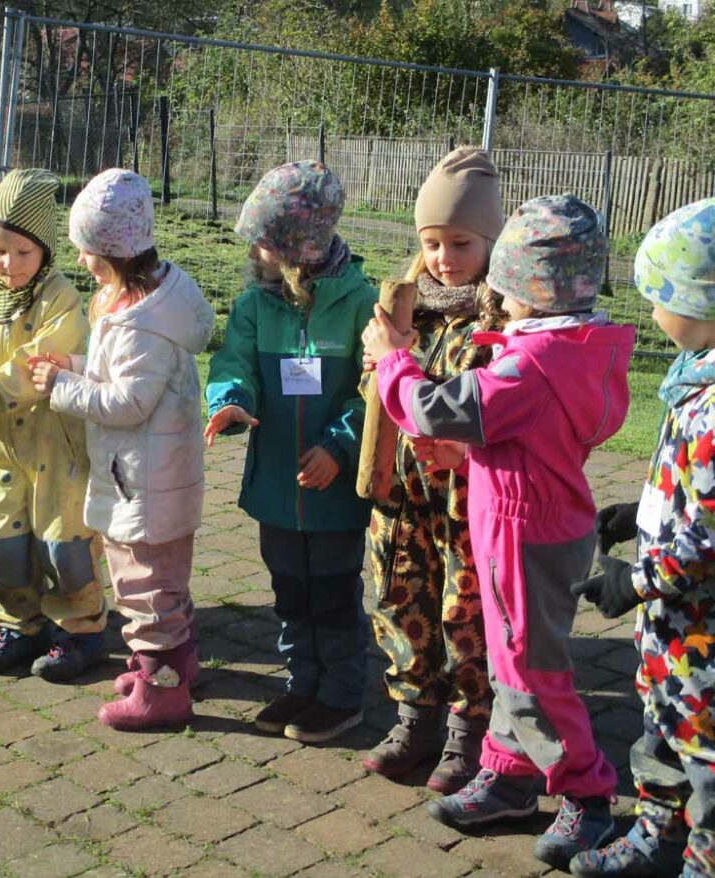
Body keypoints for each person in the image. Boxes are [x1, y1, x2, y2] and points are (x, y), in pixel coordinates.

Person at [362, 193, 635, 870]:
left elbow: (430, 409)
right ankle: (509, 775)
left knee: (533, 675)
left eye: (503, 286)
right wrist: (474, 450)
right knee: (511, 657)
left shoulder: (530, 365)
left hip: (525, 539)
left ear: (526, 291)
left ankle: (587, 795)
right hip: (526, 524)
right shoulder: (570, 350)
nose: (496, 298)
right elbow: (527, 427)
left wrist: (394, 357)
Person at [31, 168, 215, 729]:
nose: (82, 261)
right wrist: (77, 366)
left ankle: (162, 692)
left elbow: (127, 403)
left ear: (111, 250)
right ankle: (174, 664)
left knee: (143, 586)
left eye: (86, 251)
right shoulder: (147, 305)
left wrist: (60, 387)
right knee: (161, 581)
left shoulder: (140, 325)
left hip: (143, 482)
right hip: (149, 474)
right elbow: (122, 379)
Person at [205, 160, 378, 744]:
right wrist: (229, 402)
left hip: (335, 491)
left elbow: (374, 392)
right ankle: (301, 685)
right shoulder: (255, 305)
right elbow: (235, 363)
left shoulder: (363, 305)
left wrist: (339, 446)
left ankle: (342, 694)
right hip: (277, 489)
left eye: (266, 242)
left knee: (332, 593)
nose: (257, 254)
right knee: (289, 592)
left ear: (299, 245)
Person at [569, 197, 715, 878]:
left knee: (707, 752)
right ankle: (656, 832)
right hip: (673, 633)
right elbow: (695, 496)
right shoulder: (697, 377)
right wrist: (644, 508)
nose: (652, 311)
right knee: (659, 728)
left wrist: (632, 579)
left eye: (662, 296)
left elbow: (705, 541)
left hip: (702, 631)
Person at [362, 147, 503, 794]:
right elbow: (375, 391)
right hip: (404, 499)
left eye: (462, 241)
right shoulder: (403, 311)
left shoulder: (499, 321)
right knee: (400, 593)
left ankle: (470, 727)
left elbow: (492, 412)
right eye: (433, 242)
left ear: (492, 240)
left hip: (464, 502)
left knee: (462, 611)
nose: (446, 256)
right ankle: (414, 713)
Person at [0, 168, 108, 682]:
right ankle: (17, 626)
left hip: (59, 451)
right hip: (5, 453)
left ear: (46, 251)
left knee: (64, 545)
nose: (8, 263)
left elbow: (44, 364)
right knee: (4, 546)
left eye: (22, 252)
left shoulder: (63, 299)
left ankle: (80, 631)